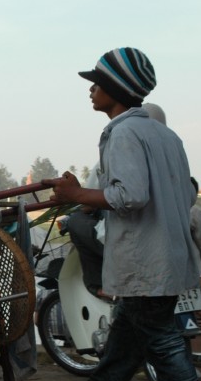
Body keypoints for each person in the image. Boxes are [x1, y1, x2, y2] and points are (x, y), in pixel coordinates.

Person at [42, 48, 201, 381]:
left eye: (97, 82)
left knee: (164, 347)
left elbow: (131, 196)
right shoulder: (166, 134)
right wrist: (81, 194)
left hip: (145, 260)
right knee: (125, 347)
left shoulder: (122, 133)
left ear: (116, 90)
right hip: (168, 257)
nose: (91, 89)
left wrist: (76, 196)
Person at [65, 102, 167, 298]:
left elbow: (125, 197)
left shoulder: (121, 142)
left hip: (134, 247)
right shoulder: (172, 147)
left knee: (77, 222)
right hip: (168, 249)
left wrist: (75, 195)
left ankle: (98, 285)